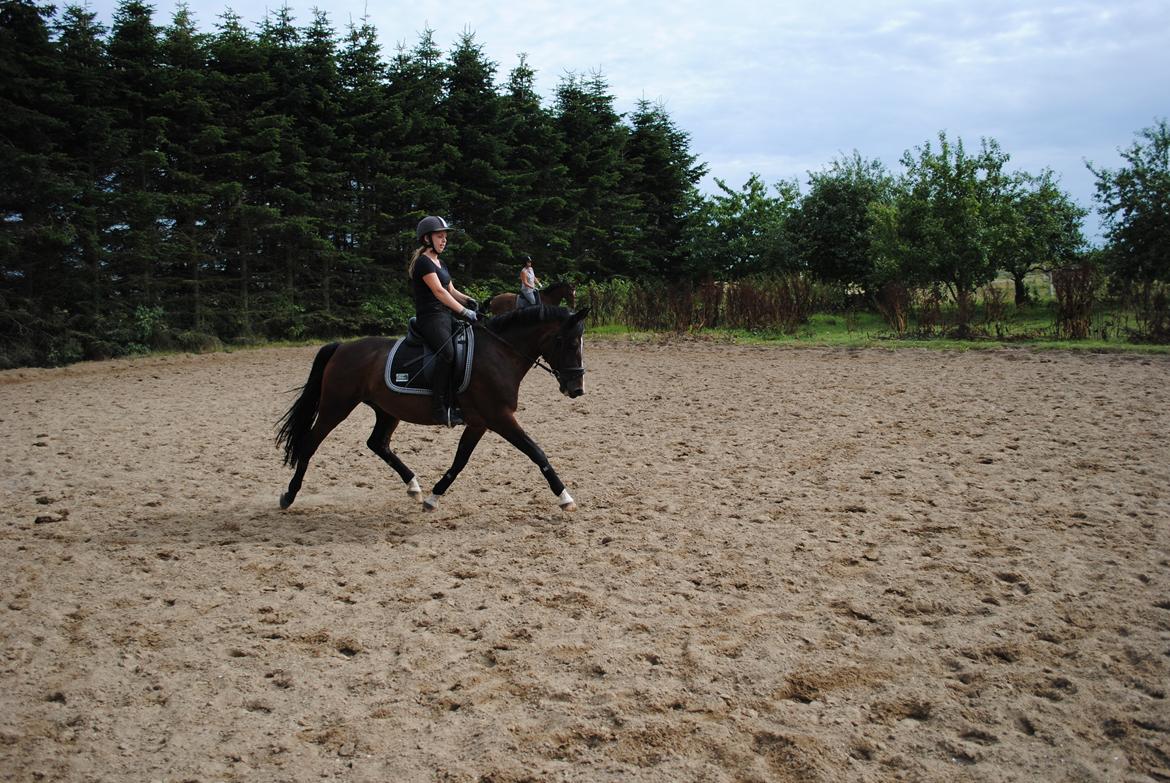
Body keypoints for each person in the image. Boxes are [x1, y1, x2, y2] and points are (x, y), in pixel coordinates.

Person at [408, 215, 478, 427]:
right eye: (440, 236)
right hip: (430, 318)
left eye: (445, 237)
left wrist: (471, 301)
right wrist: (464, 311)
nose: (444, 240)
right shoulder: (423, 263)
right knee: (447, 354)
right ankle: (439, 409)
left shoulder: (440, 263)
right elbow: (438, 292)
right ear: (427, 239)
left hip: (445, 316)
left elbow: (450, 290)